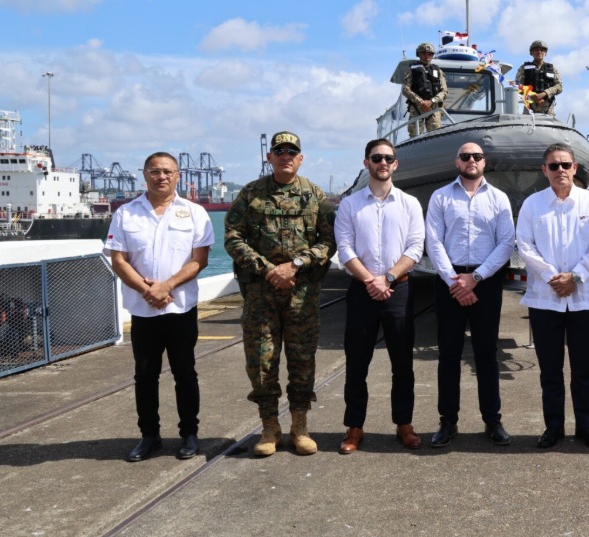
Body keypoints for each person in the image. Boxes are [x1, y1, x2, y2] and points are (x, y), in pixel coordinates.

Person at [225, 131, 335, 456]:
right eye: (279, 151)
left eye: (292, 151)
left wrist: (295, 266)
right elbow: (232, 236)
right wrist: (267, 269)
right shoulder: (250, 195)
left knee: (302, 360)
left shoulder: (315, 196)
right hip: (261, 293)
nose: (286, 155)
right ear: (269, 157)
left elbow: (330, 241)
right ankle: (269, 428)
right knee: (261, 361)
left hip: (302, 294)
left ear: (300, 158)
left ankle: (299, 425)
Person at [105, 152, 214, 462]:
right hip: (143, 310)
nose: (161, 176)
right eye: (155, 171)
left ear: (178, 176)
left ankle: (189, 434)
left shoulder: (194, 212)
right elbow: (118, 260)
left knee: (185, 373)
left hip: (180, 309)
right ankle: (149, 436)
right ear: (145, 175)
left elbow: (199, 260)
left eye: (167, 171)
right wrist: (147, 290)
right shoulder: (126, 213)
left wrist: (166, 286)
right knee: (145, 375)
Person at [517, 143, 589, 449]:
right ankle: (553, 427)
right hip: (546, 299)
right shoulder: (532, 205)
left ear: (575, 169)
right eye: (554, 166)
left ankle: (586, 426)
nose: (560, 171)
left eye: (565, 165)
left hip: (584, 299)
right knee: (550, 370)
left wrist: (576, 276)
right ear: (544, 170)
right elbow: (525, 245)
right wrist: (550, 277)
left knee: (583, 370)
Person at [334, 139, 425, 453]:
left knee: (403, 364)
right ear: (366, 163)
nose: (383, 163)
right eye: (377, 158)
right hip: (362, 291)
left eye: (388, 158)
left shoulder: (409, 204)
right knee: (357, 363)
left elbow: (415, 247)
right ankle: (354, 427)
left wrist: (386, 277)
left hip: (397, 289)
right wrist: (370, 280)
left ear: (395, 164)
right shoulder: (350, 205)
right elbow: (344, 249)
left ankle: (404, 424)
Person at [424, 142, 516, 448]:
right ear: (457, 162)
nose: (471, 160)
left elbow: (506, 242)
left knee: (486, 353)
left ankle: (493, 420)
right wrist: (455, 281)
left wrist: (475, 278)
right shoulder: (440, 197)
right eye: (465, 156)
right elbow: (433, 241)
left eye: (476, 156)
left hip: (484, 280)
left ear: (484, 162)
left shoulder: (499, 198)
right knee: (448, 354)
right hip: (450, 280)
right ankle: (447, 421)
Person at [403, 42, 449, 137]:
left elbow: (444, 91)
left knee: (436, 136)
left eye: (429, 54)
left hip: (433, 109)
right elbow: (406, 89)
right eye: (423, 53)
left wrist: (431, 101)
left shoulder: (438, 71)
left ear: (432, 56)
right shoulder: (411, 70)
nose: (426, 56)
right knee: (415, 136)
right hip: (416, 109)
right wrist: (421, 102)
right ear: (418, 54)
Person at [514, 40, 562, 115]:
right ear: (531, 53)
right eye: (536, 50)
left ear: (545, 53)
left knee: (550, 126)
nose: (539, 52)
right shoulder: (524, 68)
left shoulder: (552, 69)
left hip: (548, 109)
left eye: (542, 50)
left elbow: (559, 86)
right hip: (529, 108)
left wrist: (544, 94)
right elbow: (517, 85)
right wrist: (533, 96)